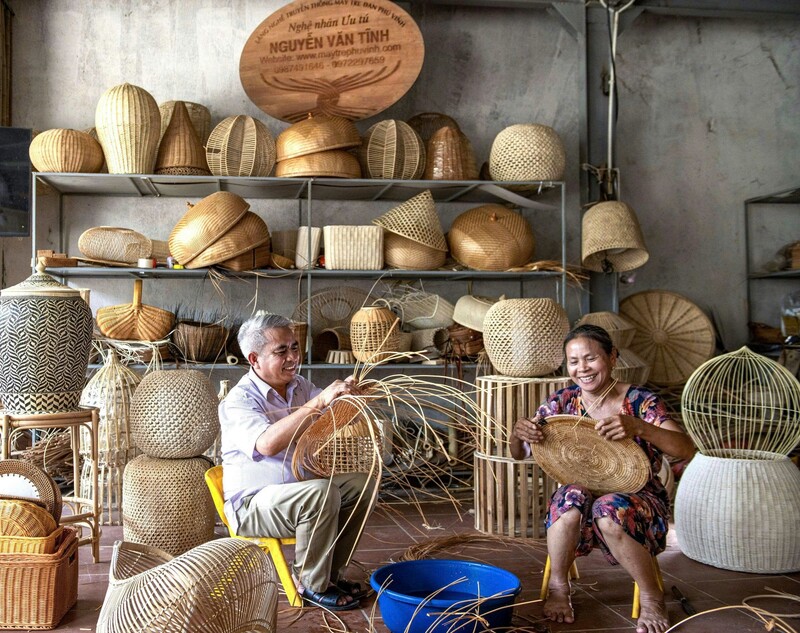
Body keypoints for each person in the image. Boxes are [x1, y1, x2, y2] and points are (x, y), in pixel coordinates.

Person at [510, 324, 696, 633]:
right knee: (570, 498)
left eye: (591, 358)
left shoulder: (640, 401)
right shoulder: (563, 401)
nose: (582, 368)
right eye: (573, 361)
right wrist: (519, 433)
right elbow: (520, 453)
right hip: (581, 494)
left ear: (612, 357)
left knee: (608, 511)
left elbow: (685, 448)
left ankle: (652, 598)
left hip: (639, 498)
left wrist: (639, 427)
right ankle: (559, 586)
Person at [219, 312, 377, 611]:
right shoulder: (239, 400)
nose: (293, 357)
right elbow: (266, 443)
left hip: (300, 494)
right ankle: (311, 585)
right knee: (320, 493)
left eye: (294, 347)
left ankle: (330, 575)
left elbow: (334, 416)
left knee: (361, 484)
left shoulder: (299, 386)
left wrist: (352, 398)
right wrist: (319, 402)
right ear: (254, 359)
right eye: (282, 351)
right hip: (252, 506)